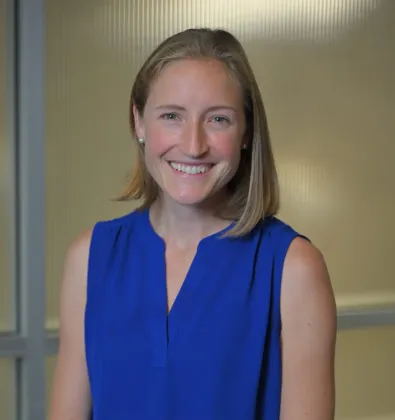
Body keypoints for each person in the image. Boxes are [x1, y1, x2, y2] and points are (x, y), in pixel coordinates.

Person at [49, 28, 337, 420]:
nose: (193, 144)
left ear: (247, 131)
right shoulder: (90, 258)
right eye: (171, 116)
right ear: (138, 122)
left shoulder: (292, 268)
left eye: (218, 119)